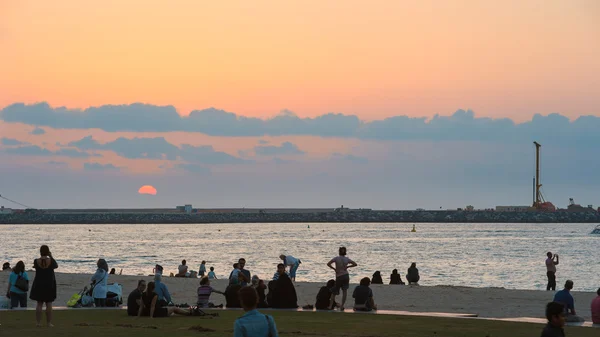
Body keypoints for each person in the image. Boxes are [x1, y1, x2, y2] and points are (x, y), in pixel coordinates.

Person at [29, 245, 58, 327]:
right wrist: (51, 256)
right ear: (48, 251)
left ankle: (38, 322)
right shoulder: (51, 261)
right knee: (49, 303)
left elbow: (37, 267)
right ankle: (48, 323)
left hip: (39, 283)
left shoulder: (36, 261)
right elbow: (56, 265)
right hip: (49, 283)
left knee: (39, 303)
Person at [326, 246, 357, 311]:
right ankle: (342, 306)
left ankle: (330, 306)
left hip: (339, 276)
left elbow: (328, 264)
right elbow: (355, 264)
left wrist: (334, 269)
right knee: (344, 291)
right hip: (346, 275)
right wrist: (348, 266)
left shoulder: (336, 258)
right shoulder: (347, 259)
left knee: (334, 292)